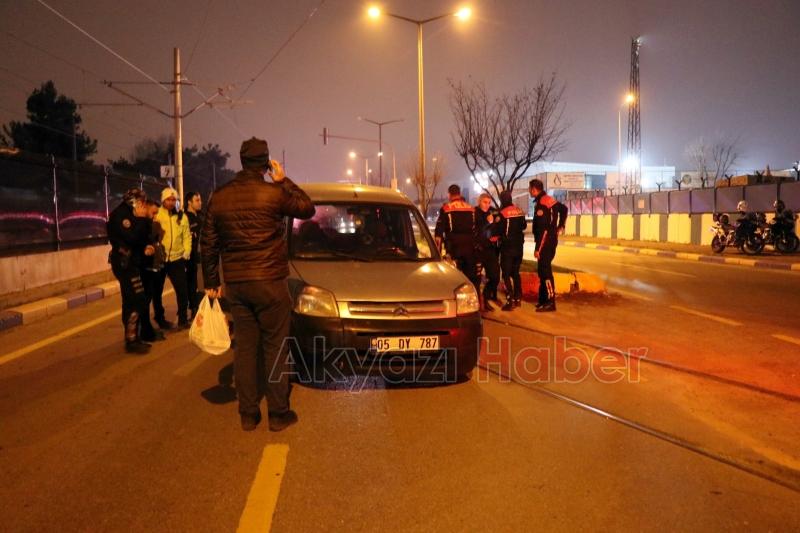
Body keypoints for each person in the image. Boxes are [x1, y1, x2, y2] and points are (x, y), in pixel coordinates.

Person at [201, 137, 315, 432]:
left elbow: (208, 243)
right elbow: (306, 208)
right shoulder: (273, 194)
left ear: (241, 162)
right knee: (275, 347)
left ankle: (248, 414)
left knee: (246, 348)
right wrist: (283, 179)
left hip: (237, 285)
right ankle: (278, 413)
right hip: (270, 283)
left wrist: (212, 280)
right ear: (265, 163)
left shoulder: (220, 196)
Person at [107, 188, 155, 354]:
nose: (142, 205)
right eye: (140, 201)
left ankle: (132, 337)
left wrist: (147, 244)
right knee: (137, 299)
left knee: (130, 300)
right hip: (124, 263)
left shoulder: (133, 214)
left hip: (133, 262)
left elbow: (143, 236)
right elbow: (132, 237)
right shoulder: (121, 215)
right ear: (133, 200)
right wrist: (141, 219)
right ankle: (131, 339)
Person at [153, 187, 192, 330]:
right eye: (168, 199)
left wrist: (186, 251)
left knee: (182, 290)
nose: (171, 202)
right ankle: (160, 318)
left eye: (173, 199)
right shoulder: (157, 215)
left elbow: (187, 236)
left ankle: (183, 319)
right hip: (161, 259)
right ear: (163, 200)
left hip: (177, 259)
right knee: (156, 291)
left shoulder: (182, 217)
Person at [529, 179, 568, 312]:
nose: (529, 191)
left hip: (546, 241)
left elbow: (543, 229)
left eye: (530, 189)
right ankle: (543, 299)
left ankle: (551, 302)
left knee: (545, 272)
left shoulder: (542, 204)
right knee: (542, 270)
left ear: (534, 189)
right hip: (551, 239)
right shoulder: (550, 200)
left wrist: (537, 249)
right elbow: (564, 209)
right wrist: (561, 225)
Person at [434, 184, 479, 292]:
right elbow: (477, 228)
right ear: (459, 194)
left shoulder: (446, 209)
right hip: (470, 247)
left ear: (449, 194)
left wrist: (438, 252)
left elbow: (439, 233)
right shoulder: (471, 209)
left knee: (454, 276)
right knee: (471, 276)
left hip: (454, 247)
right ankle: (474, 299)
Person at [139, 199, 167, 343]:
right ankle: (144, 331)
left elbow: (159, 240)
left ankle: (147, 329)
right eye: (153, 213)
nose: (155, 216)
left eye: (157, 214)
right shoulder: (144, 225)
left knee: (151, 296)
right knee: (144, 299)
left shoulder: (151, 224)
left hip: (154, 266)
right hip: (145, 267)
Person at [497, 190, 527, 311]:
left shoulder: (502, 213)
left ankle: (510, 300)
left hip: (507, 247)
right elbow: (524, 226)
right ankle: (518, 298)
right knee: (515, 273)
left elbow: (498, 229)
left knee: (506, 274)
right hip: (519, 246)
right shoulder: (519, 210)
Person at [474, 193, 501, 311]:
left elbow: (498, 226)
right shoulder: (474, 213)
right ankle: (476, 303)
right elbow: (477, 230)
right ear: (479, 201)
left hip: (490, 249)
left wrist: (497, 235)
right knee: (476, 278)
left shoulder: (493, 212)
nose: (487, 205)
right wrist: (488, 223)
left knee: (495, 276)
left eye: (489, 202)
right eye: (485, 202)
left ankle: (485, 298)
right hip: (478, 250)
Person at [184, 191, 203, 319]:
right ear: (189, 202)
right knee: (191, 284)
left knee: (200, 284)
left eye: (200, 200)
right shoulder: (185, 218)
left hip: (201, 257)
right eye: (197, 200)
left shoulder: (201, 216)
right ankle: (193, 309)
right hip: (189, 257)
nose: (200, 202)